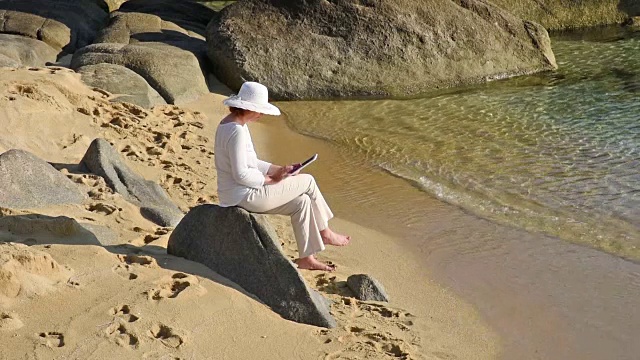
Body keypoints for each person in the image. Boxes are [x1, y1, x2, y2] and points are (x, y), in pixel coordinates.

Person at [214, 81, 350, 271]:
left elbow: (251, 161)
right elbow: (241, 174)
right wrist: (271, 180)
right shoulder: (236, 131)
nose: (261, 114)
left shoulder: (230, 124)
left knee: (301, 202)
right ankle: (325, 231)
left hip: (238, 194)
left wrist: (279, 169)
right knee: (309, 181)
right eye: (259, 110)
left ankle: (306, 258)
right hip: (244, 195)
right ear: (246, 108)